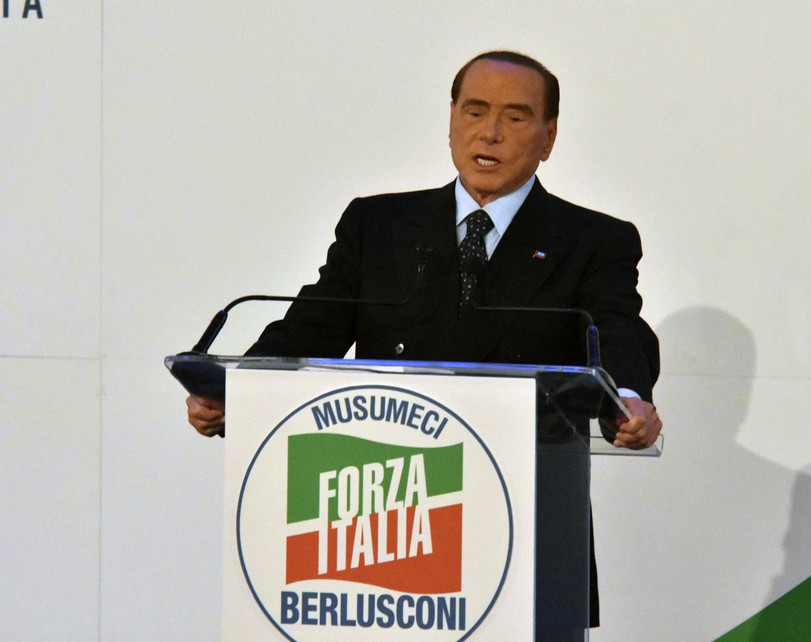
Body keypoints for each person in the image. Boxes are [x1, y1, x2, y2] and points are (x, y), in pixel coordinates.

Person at [187, 50, 662, 634]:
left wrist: (630, 396)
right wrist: (235, 391)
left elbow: (616, 329)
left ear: (549, 136)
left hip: (523, 526)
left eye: (515, 117)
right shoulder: (379, 225)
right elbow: (313, 326)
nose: (488, 132)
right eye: (474, 111)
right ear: (451, 120)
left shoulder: (595, 240)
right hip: (385, 531)